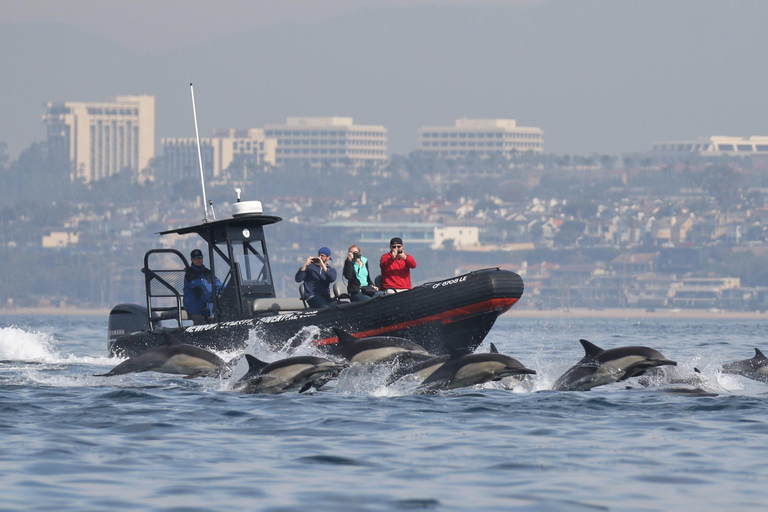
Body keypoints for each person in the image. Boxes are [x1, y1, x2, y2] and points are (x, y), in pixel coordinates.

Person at [183, 249, 224, 325]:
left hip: (206, 307)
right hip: (195, 307)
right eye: (195, 259)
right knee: (201, 324)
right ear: (192, 260)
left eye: (199, 258)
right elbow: (200, 292)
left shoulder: (207, 272)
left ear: (202, 258)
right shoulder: (190, 274)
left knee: (215, 323)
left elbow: (217, 284)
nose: (198, 260)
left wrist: (225, 290)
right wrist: (214, 298)